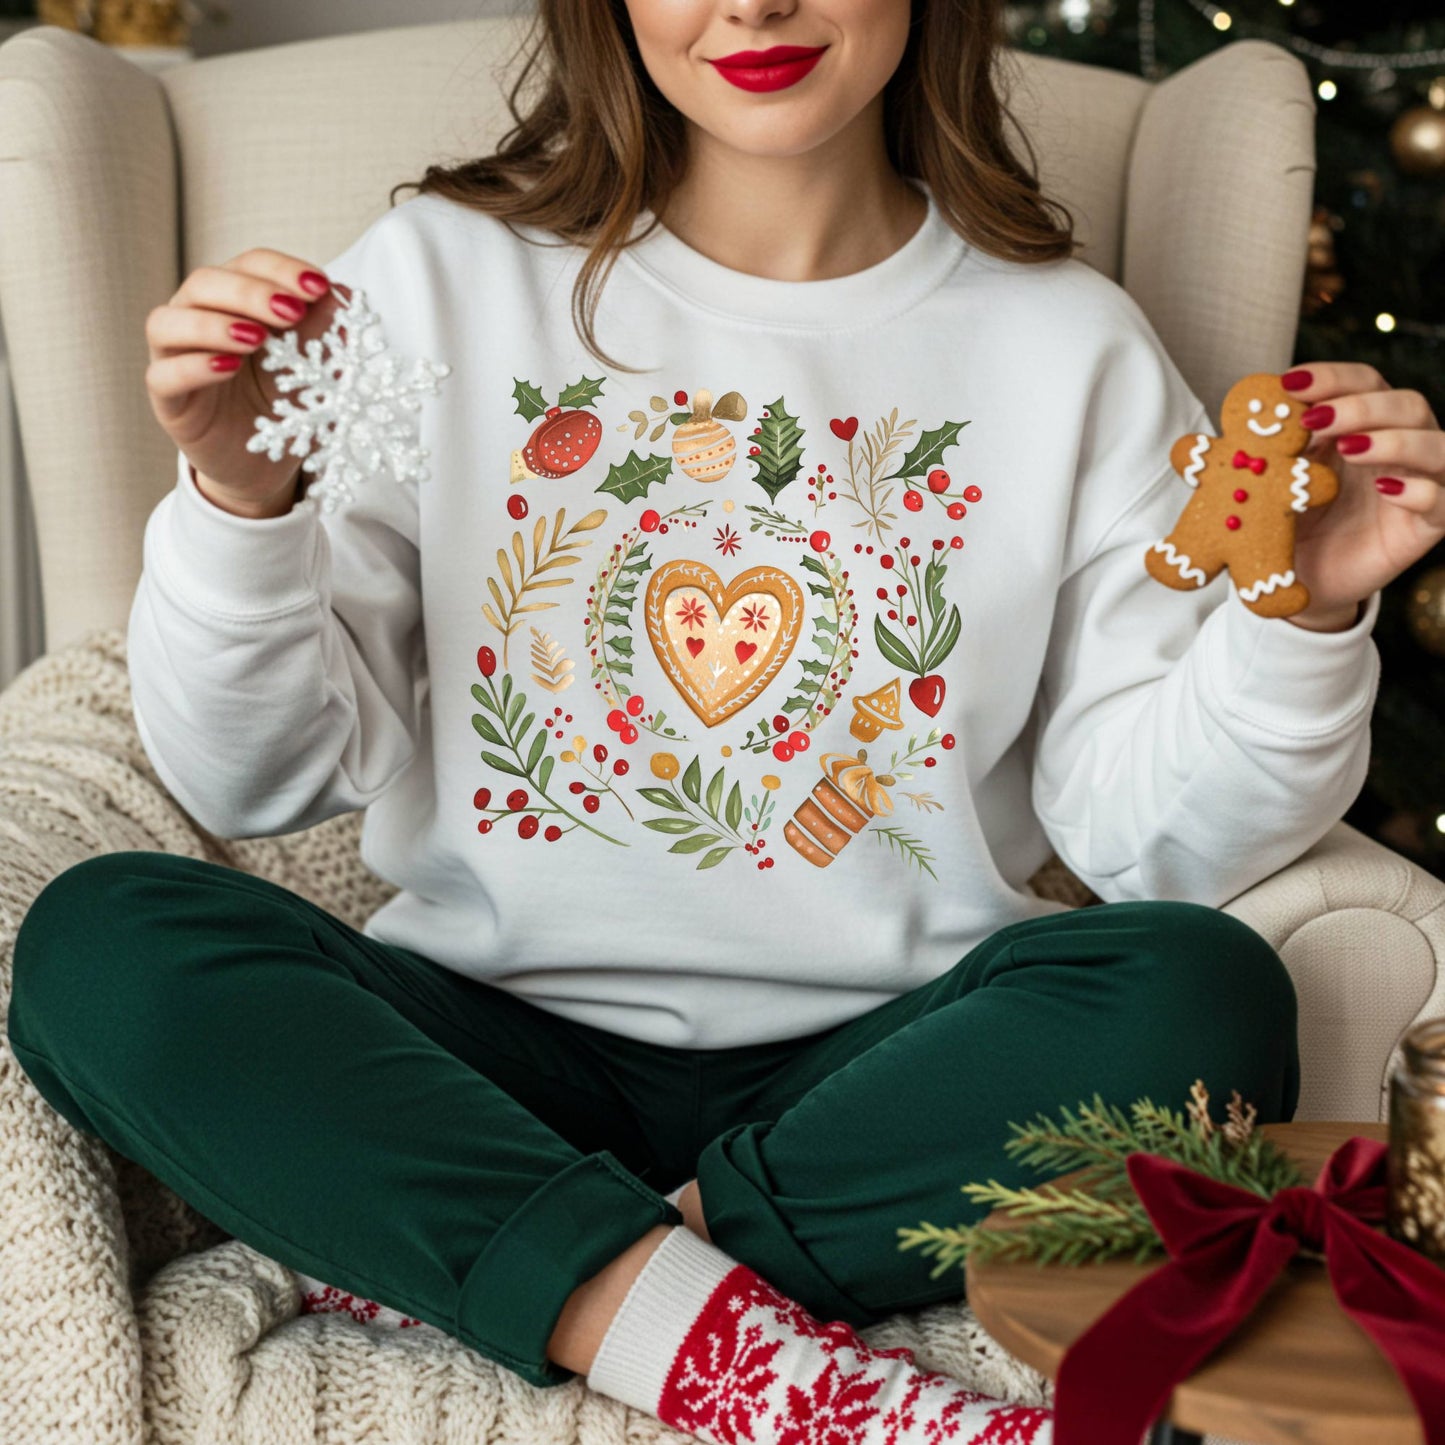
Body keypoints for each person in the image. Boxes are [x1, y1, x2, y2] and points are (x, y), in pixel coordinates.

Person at [8, 0, 1442, 1439]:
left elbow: (1157, 848)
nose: (751, 5)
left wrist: (1300, 614)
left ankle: (536, 1269)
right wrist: (240, 504)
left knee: (1199, 990)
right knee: (99, 945)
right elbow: (252, 779)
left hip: (880, 1077)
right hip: (478, 1051)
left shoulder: (1069, 346)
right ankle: (759, 1356)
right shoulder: (432, 282)